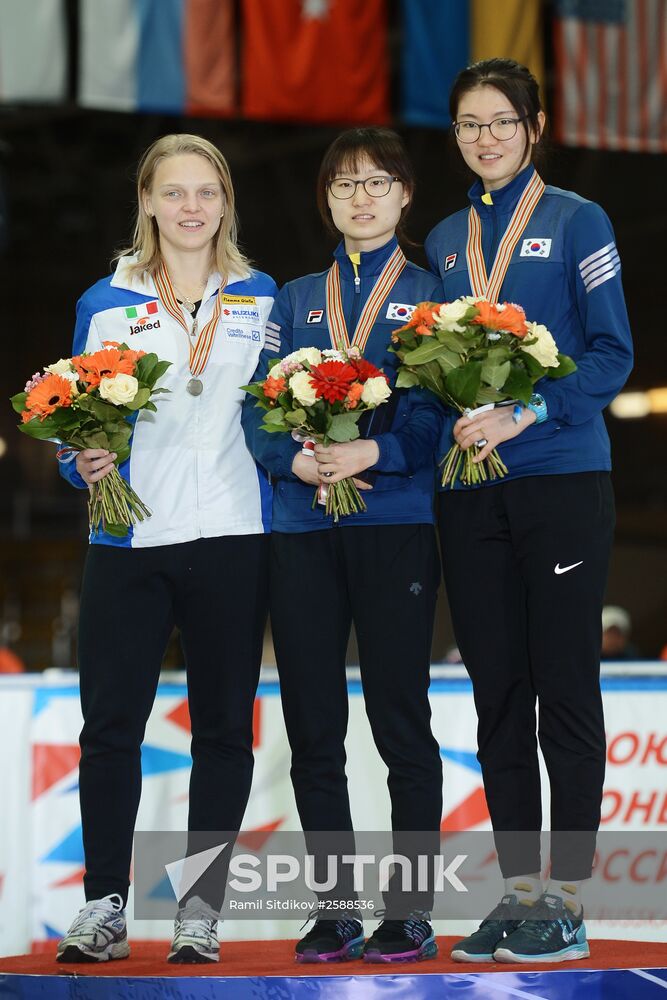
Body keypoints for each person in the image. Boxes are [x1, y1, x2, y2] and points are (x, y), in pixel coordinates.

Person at [425, 59, 633, 964]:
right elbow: (430, 366)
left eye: (500, 121)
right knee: (496, 694)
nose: (484, 138)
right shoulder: (439, 239)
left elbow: (611, 353)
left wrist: (528, 410)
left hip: (557, 477)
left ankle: (572, 896)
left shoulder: (578, 218)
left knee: (562, 688)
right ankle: (518, 893)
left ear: (534, 124)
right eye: (469, 124)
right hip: (471, 491)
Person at [55, 134, 276, 964]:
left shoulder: (260, 298)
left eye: (207, 193)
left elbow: (276, 413)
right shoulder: (104, 300)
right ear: (146, 201)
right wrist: (78, 464)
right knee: (111, 728)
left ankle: (199, 910)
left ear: (225, 203)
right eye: (174, 193)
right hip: (129, 537)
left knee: (224, 731)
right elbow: (65, 415)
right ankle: (104, 907)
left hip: (231, 536)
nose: (192, 208)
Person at [243, 127, 443, 963]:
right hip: (301, 528)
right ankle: (333, 907)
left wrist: (373, 451)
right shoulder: (292, 299)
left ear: (403, 196)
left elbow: (438, 414)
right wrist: (292, 458)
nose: (359, 197)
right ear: (324, 200)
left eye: (376, 183)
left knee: (401, 720)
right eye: (342, 185)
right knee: (312, 725)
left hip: (395, 525)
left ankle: (409, 908)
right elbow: (255, 408)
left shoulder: (434, 298)